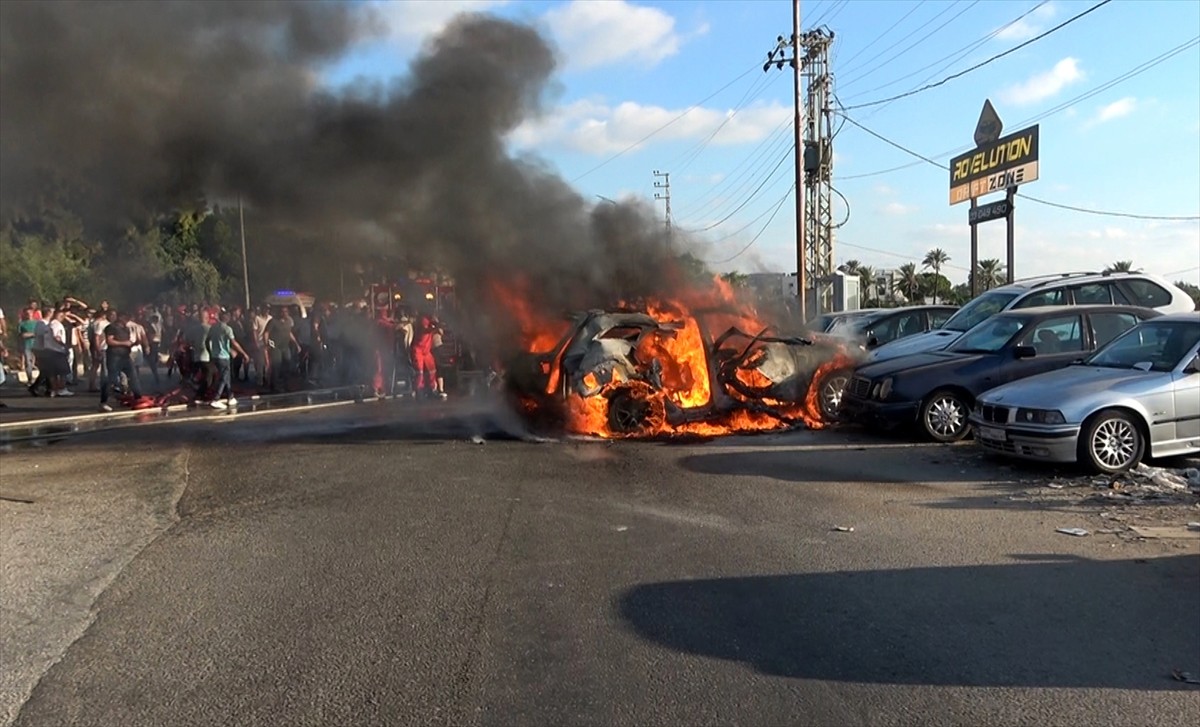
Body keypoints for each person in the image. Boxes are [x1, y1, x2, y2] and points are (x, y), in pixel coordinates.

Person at [99, 310, 141, 411]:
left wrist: (134, 343)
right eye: (126, 318)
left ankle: (138, 399)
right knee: (112, 379)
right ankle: (103, 402)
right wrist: (124, 343)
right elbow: (110, 341)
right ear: (121, 317)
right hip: (114, 357)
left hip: (125, 356)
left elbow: (127, 343)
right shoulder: (111, 327)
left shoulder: (126, 329)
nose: (127, 320)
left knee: (133, 377)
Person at [205, 310, 248, 409]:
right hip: (223, 356)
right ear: (226, 317)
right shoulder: (227, 329)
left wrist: (210, 353)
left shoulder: (214, 327)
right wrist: (244, 354)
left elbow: (207, 341)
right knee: (224, 377)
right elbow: (234, 342)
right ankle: (216, 399)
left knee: (226, 376)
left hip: (215, 356)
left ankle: (230, 396)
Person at [264, 307, 299, 393]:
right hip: (276, 347)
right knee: (276, 366)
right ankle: (274, 385)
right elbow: (266, 333)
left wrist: (296, 344)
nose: (284, 313)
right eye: (282, 311)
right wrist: (267, 343)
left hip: (285, 347)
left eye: (286, 311)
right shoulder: (273, 321)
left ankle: (286, 384)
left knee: (287, 365)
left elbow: (289, 333)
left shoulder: (288, 321)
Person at [410, 313, 444, 400]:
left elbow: (439, 331)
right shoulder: (423, 320)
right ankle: (418, 390)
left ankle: (432, 389)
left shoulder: (432, 322)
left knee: (432, 369)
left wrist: (437, 327)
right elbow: (425, 330)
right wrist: (435, 327)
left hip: (426, 350)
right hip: (418, 349)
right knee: (419, 371)